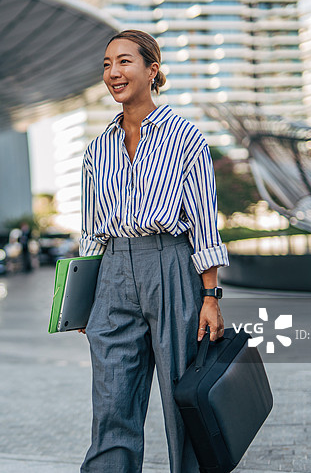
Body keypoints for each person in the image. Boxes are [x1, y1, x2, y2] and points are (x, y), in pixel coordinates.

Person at [79, 29, 229, 473]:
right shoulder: (97, 149)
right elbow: (91, 231)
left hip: (171, 266)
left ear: (152, 69)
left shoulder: (184, 137)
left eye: (124, 62)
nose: (113, 73)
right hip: (112, 275)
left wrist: (210, 297)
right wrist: (86, 302)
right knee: (111, 405)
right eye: (107, 64)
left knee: (184, 401)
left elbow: (204, 220)